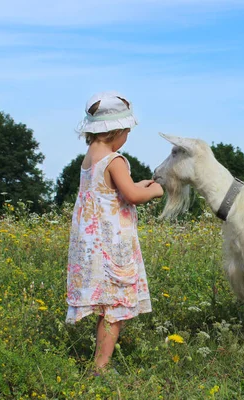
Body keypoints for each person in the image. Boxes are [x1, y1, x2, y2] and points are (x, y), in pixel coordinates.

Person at [66, 91, 164, 373]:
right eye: (127, 132)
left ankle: (99, 362)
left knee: (106, 306)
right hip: (112, 248)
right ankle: (100, 367)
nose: (127, 138)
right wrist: (155, 190)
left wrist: (136, 184)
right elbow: (131, 195)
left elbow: (110, 191)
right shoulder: (114, 160)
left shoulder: (90, 158)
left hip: (92, 247)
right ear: (116, 131)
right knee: (115, 310)